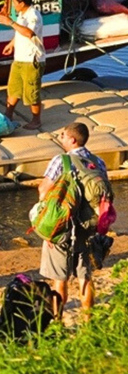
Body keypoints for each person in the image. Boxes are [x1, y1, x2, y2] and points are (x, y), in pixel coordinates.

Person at [37, 122, 109, 317]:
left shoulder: (61, 161)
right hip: (87, 228)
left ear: (72, 139)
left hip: (62, 229)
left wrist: (46, 224)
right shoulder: (98, 162)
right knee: (85, 276)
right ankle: (88, 321)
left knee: (59, 280)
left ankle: (58, 322)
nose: (60, 138)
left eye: (63, 135)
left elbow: (44, 190)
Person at [0, 0, 44, 129]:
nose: (13, 4)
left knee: (31, 92)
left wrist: (10, 22)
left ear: (22, 3)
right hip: (19, 58)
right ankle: (8, 114)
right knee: (13, 88)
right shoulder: (21, 14)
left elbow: (29, 33)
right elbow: (20, 32)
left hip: (32, 60)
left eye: (14, 1)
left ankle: (36, 120)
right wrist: (12, 44)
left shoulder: (33, 16)